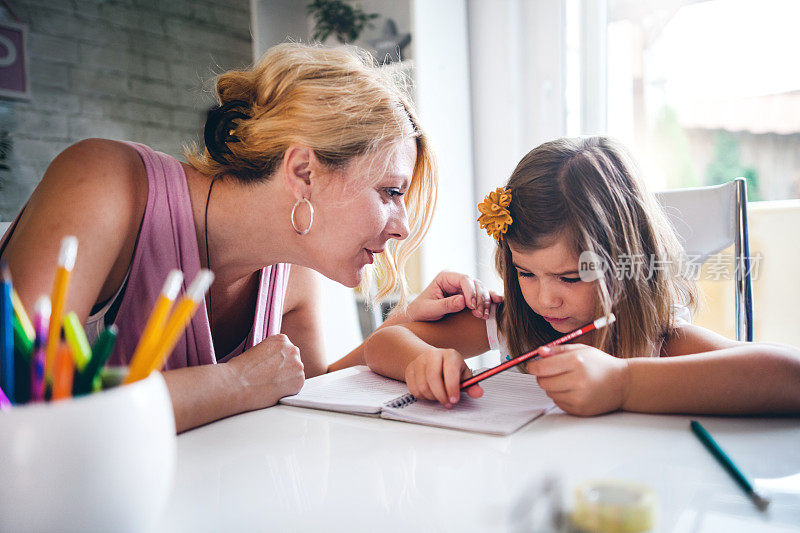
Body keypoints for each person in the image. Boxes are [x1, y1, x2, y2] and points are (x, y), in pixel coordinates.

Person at [0, 43, 500, 432]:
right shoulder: (103, 184)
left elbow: (299, 387)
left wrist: (404, 325)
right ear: (303, 170)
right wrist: (233, 383)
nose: (403, 225)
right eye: (391, 191)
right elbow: (27, 401)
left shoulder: (294, 270)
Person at [364, 136, 800, 415]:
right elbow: (382, 344)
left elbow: (788, 374)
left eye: (569, 278)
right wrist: (420, 361)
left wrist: (623, 384)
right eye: (525, 273)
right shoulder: (513, 324)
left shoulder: (661, 342)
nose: (544, 298)